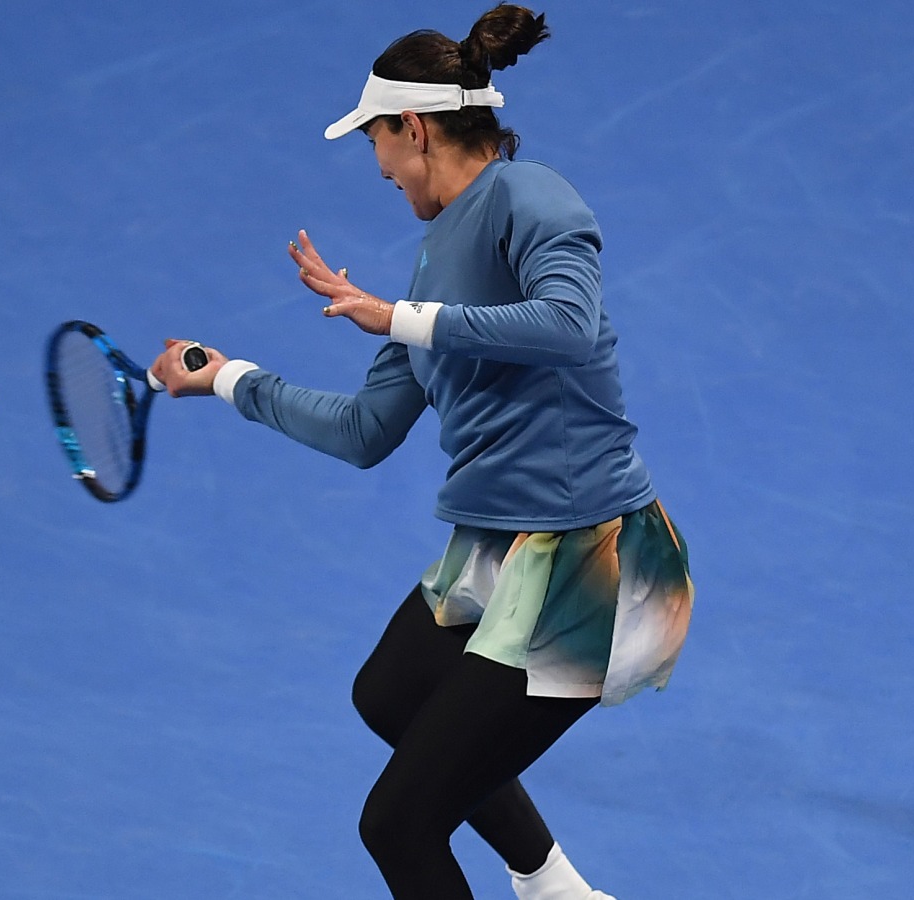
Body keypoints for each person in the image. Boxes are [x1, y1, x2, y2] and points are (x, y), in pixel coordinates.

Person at [151, 5, 694, 898]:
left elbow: (566, 323)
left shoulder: (531, 197)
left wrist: (397, 319)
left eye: (376, 142)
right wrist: (226, 378)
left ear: (413, 128)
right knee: (391, 696)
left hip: (588, 561)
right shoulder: (431, 259)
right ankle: (558, 890)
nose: (378, 168)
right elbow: (367, 431)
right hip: (499, 545)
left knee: (398, 827)